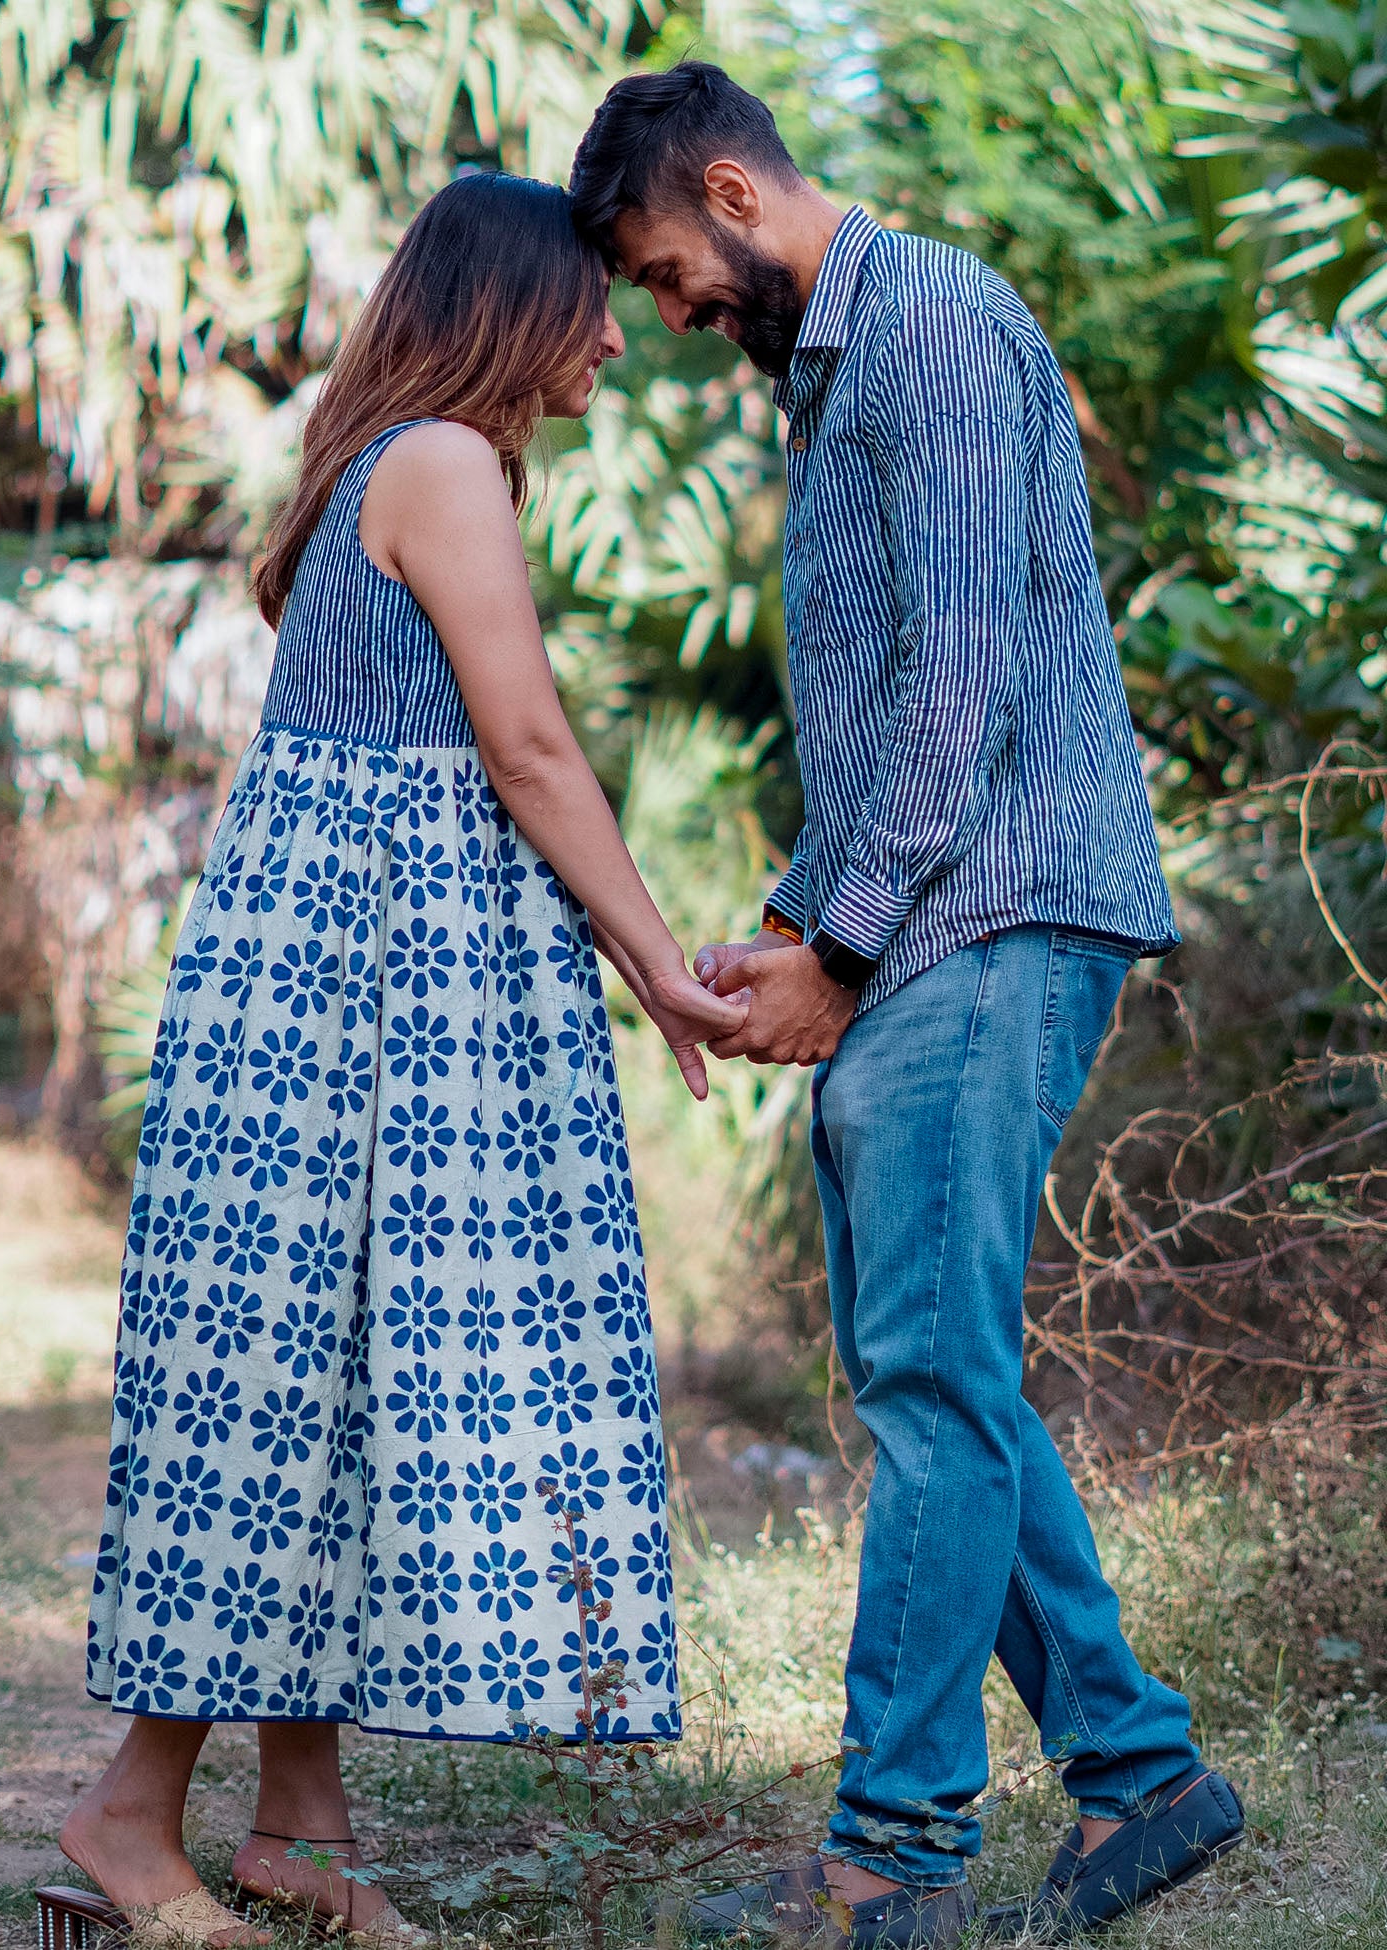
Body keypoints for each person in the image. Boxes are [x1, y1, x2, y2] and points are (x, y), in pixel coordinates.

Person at [569, 62, 1245, 1950]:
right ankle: (1140, 1774)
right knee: (934, 1373)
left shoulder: (930, 321)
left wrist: (843, 949)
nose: (671, 316)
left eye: (666, 271)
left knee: (934, 1385)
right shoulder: (839, 370)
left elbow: (961, 679)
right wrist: (796, 925)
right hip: (934, 919)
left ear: (731, 188)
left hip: (994, 915)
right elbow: (894, 716)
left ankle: (893, 1858)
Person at [52, 172, 744, 1950]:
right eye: (591, 308)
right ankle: (130, 1811)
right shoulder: (440, 462)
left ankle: (303, 1825)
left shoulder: (399, 458)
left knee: (331, 1378)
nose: (616, 341)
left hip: (355, 980)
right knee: (278, 1384)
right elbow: (528, 747)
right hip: (356, 985)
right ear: (512, 309)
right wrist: (662, 966)